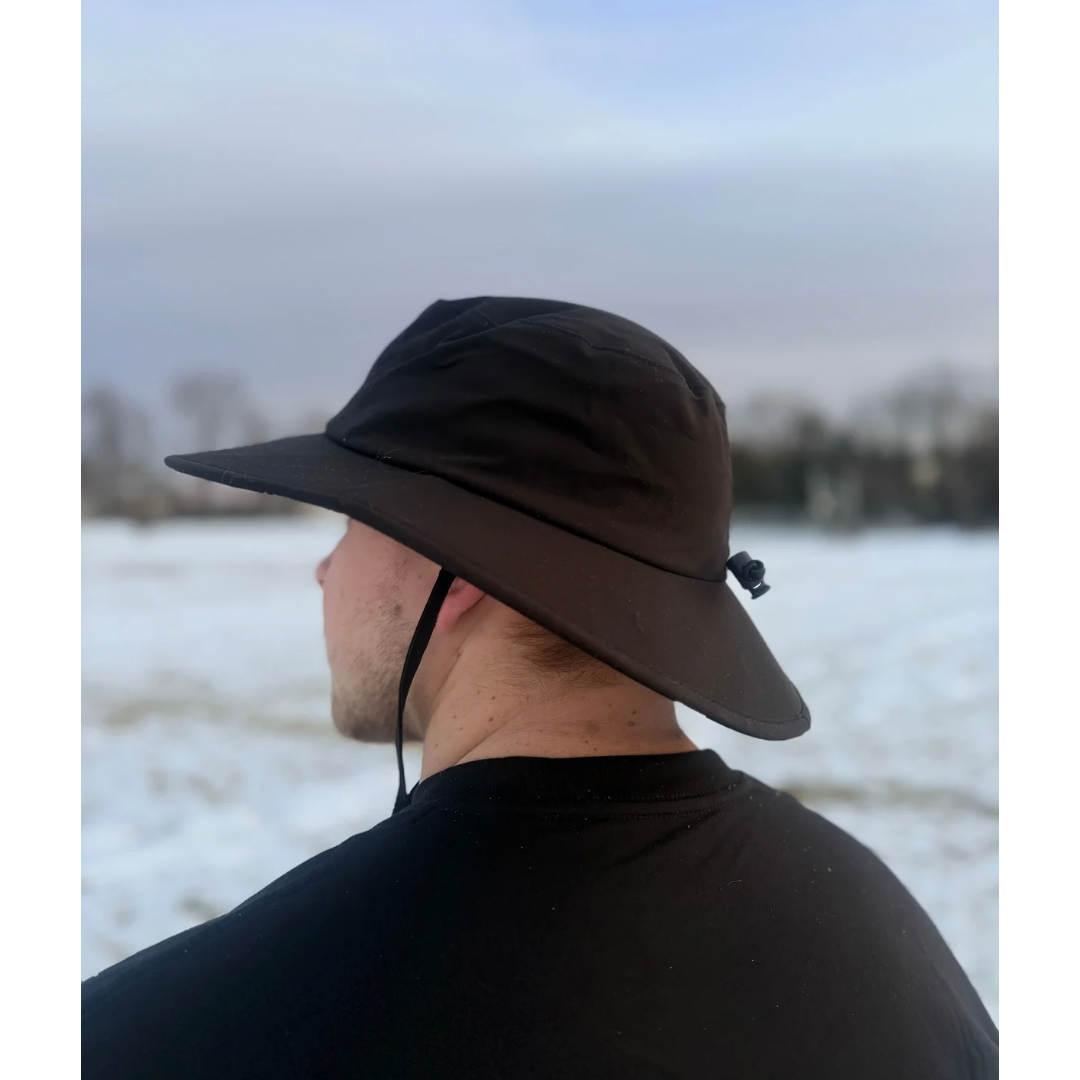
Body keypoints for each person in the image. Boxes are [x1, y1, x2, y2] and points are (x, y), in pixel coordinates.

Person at [82, 297, 998, 1078]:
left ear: (447, 563)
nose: (326, 571)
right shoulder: (893, 947)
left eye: (352, 522)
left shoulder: (174, 1031)